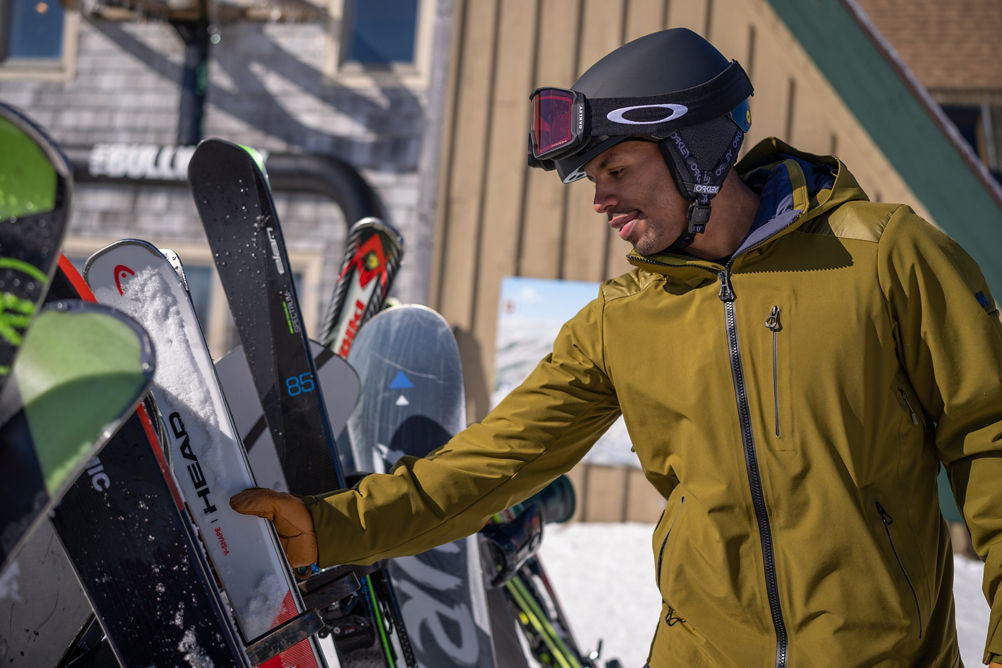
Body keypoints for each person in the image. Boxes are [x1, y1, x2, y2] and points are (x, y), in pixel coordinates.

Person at [232, 28, 1002, 666]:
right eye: (592, 178)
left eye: (617, 169)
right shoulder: (620, 322)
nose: (600, 198)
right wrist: (332, 526)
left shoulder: (885, 257)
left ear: (694, 148)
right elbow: (487, 467)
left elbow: (992, 444)